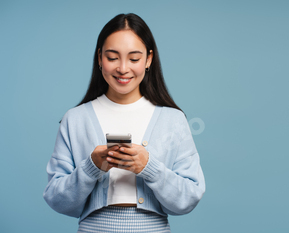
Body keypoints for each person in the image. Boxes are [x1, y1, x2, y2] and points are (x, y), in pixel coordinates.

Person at [43, 13, 205, 232]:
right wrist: (91, 167)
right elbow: (56, 199)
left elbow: (189, 197)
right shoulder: (75, 119)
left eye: (134, 58)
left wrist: (150, 168)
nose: (123, 68)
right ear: (99, 58)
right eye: (112, 57)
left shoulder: (173, 120)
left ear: (148, 59)